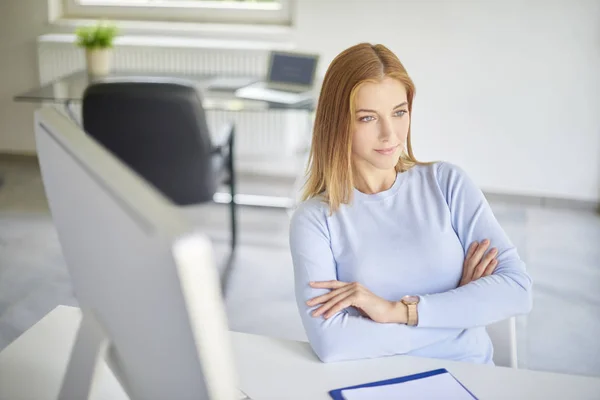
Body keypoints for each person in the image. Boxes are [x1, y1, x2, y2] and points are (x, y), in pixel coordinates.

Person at [289, 43, 533, 364]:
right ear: (337, 122)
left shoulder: (447, 183)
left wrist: (397, 311)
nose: (389, 134)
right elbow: (333, 342)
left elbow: (517, 290)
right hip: (371, 383)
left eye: (399, 112)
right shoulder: (315, 219)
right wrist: (461, 310)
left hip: (468, 376)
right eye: (367, 118)